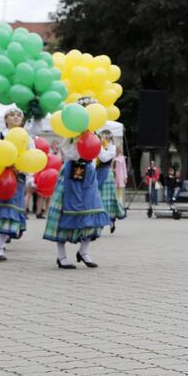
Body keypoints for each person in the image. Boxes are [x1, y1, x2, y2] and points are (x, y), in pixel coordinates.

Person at [43, 98, 111, 269]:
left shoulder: (95, 133)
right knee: (65, 214)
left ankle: (84, 252)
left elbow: (103, 157)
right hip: (71, 175)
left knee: (93, 212)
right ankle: (62, 256)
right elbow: (70, 154)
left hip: (88, 176)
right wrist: (81, 140)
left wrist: (110, 149)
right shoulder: (70, 134)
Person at [0, 108, 33, 261]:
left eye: (19, 115)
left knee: (9, 209)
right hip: (0, 178)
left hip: (17, 178)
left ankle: (1, 244)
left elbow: (31, 157)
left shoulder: (27, 138)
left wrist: (30, 178)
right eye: (12, 115)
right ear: (6, 119)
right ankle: (0, 243)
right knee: (1, 209)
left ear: (22, 120)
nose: (15, 117)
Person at [97, 130, 126, 233]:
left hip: (106, 174)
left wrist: (99, 146)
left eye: (104, 136)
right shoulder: (97, 145)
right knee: (98, 199)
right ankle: (100, 222)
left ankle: (110, 221)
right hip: (97, 173)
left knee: (107, 200)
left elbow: (104, 158)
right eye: (101, 136)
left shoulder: (112, 147)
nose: (102, 138)